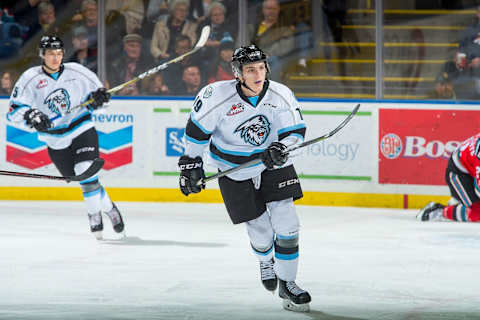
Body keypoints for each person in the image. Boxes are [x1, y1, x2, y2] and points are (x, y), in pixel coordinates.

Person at [177, 44, 310, 312]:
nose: (258, 74)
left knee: (288, 222)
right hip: (233, 169)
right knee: (261, 233)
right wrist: (190, 163)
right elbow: (196, 133)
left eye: (261, 68)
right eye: (250, 69)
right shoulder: (216, 95)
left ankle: (288, 282)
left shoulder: (280, 94)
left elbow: (295, 131)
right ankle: (265, 259)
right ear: (238, 73)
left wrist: (282, 148)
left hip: (272, 163)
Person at [6, 36, 125, 240]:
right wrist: (31, 116)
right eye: (51, 53)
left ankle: (94, 213)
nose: (55, 58)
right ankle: (109, 207)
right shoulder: (30, 78)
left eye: (59, 53)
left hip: (81, 127)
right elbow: (13, 110)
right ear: (42, 55)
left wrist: (99, 100)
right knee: (86, 181)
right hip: (54, 140)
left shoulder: (77, 71)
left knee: (84, 172)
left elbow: (101, 97)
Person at [417, 132, 480, 223]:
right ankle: (438, 212)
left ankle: (459, 205)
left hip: (468, 165)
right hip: (459, 173)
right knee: (477, 213)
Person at [247, 0, 294, 81]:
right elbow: (245, 43)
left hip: (277, 59)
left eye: (274, 9)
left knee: (274, 61)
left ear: (278, 9)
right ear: (263, 10)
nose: (271, 11)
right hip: (255, 59)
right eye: (268, 9)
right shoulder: (253, 26)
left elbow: (287, 46)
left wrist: (268, 54)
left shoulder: (285, 27)